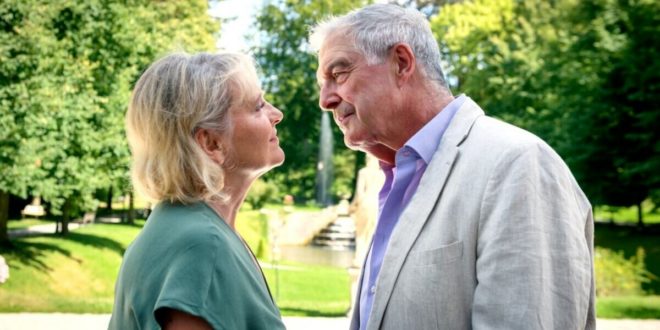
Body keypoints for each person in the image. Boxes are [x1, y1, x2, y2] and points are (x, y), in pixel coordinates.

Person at [310, 4, 595, 330]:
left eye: (338, 74)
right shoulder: (396, 180)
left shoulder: (517, 164)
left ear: (401, 63)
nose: (325, 99)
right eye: (323, 83)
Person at [108, 52, 286, 330]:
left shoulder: (181, 226)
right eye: (258, 106)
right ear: (212, 143)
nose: (276, 114)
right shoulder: (202, 246)